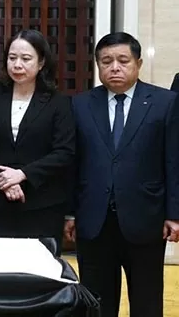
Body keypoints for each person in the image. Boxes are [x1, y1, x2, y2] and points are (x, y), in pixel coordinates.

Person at [65, 32, 179, 317]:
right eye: (106, 61)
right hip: (93, 221)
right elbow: (71, 164)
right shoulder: (79, 105)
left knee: (147, 299)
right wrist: (69, 213)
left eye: (122, 60)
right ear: (98, 66)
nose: (114, 67)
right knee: (96, 302)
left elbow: (173, 160)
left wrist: (174, 214)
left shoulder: (165, 102)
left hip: (146, 219)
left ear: (138, 63)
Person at [0, 30, 75, 254]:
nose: (17, 65)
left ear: (41, 63)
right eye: (12, 58)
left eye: (26, 59)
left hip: (44, 202)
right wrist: (5, 180)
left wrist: (22, 174)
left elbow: (64, 152)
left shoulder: (59, 103)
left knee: (40, 271)